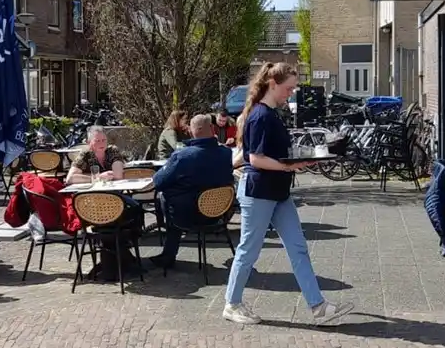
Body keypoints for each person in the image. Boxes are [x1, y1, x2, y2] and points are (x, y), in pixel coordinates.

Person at [222, 62, 353, 327]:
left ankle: (319, 307)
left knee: (298, 247)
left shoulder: (270, 114)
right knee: (248, 250)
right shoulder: (260, 116)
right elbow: (255, 159)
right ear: (272, 85)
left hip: (277, 191)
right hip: (259, 192)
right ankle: (232, 304)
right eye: (288, 88)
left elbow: (272, 153)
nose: (291, 93)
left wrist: (298, 159)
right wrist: (289, 165)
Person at [149, 114, 236, 270]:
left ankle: (169, 254)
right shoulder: (226, 153)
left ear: (192, 132)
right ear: (212, 128)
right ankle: (168, 254)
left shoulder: (183, 156)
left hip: (186, 217)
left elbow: (158, 181)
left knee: (165, 196)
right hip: (218, 214)